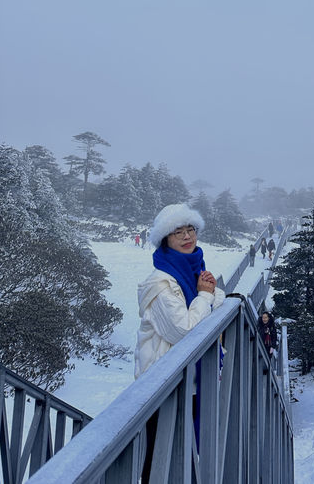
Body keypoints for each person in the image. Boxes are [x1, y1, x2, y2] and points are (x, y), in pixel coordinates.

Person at [134, 203, 225, 482]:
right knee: (161, 464)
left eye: (191, 230)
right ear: (165, 240)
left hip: (192, 385)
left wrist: (209, 294)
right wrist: (206, 296)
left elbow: (215, 301)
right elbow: (185, 333)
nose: (188, 237)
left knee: (191, 458)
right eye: (178, 233)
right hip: (163, 389)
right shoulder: (160, 284)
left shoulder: (194, 269)